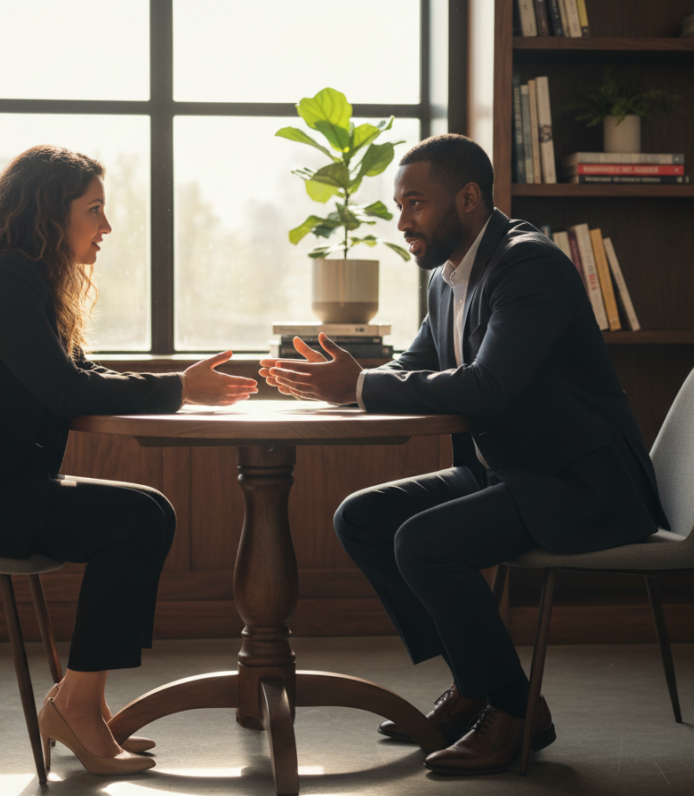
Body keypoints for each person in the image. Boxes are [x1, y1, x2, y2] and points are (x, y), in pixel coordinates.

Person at [259, 134, 668, 776]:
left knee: (423, 544)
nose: (402, 222)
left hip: (580, 483)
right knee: (361, 518)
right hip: (504, 472)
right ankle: (476, 685)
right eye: (398, 205)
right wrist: (340, 385)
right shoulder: (449, 276)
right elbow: (415, 366)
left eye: (416, 203)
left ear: (469, 198)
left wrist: (361, 387)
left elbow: (489, 388)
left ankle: (514, 708)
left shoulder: (529, 266)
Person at [0, 145, 258, 776]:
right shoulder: (3, 277)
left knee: (147, 509)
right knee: (138, 519)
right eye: (94, 210)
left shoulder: (20, 276)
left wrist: (176, 383)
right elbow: (66, 393)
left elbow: (73, 373)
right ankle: (76, 705)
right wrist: (179, 389)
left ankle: (83, 706)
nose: (107, 226)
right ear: (49, 211)